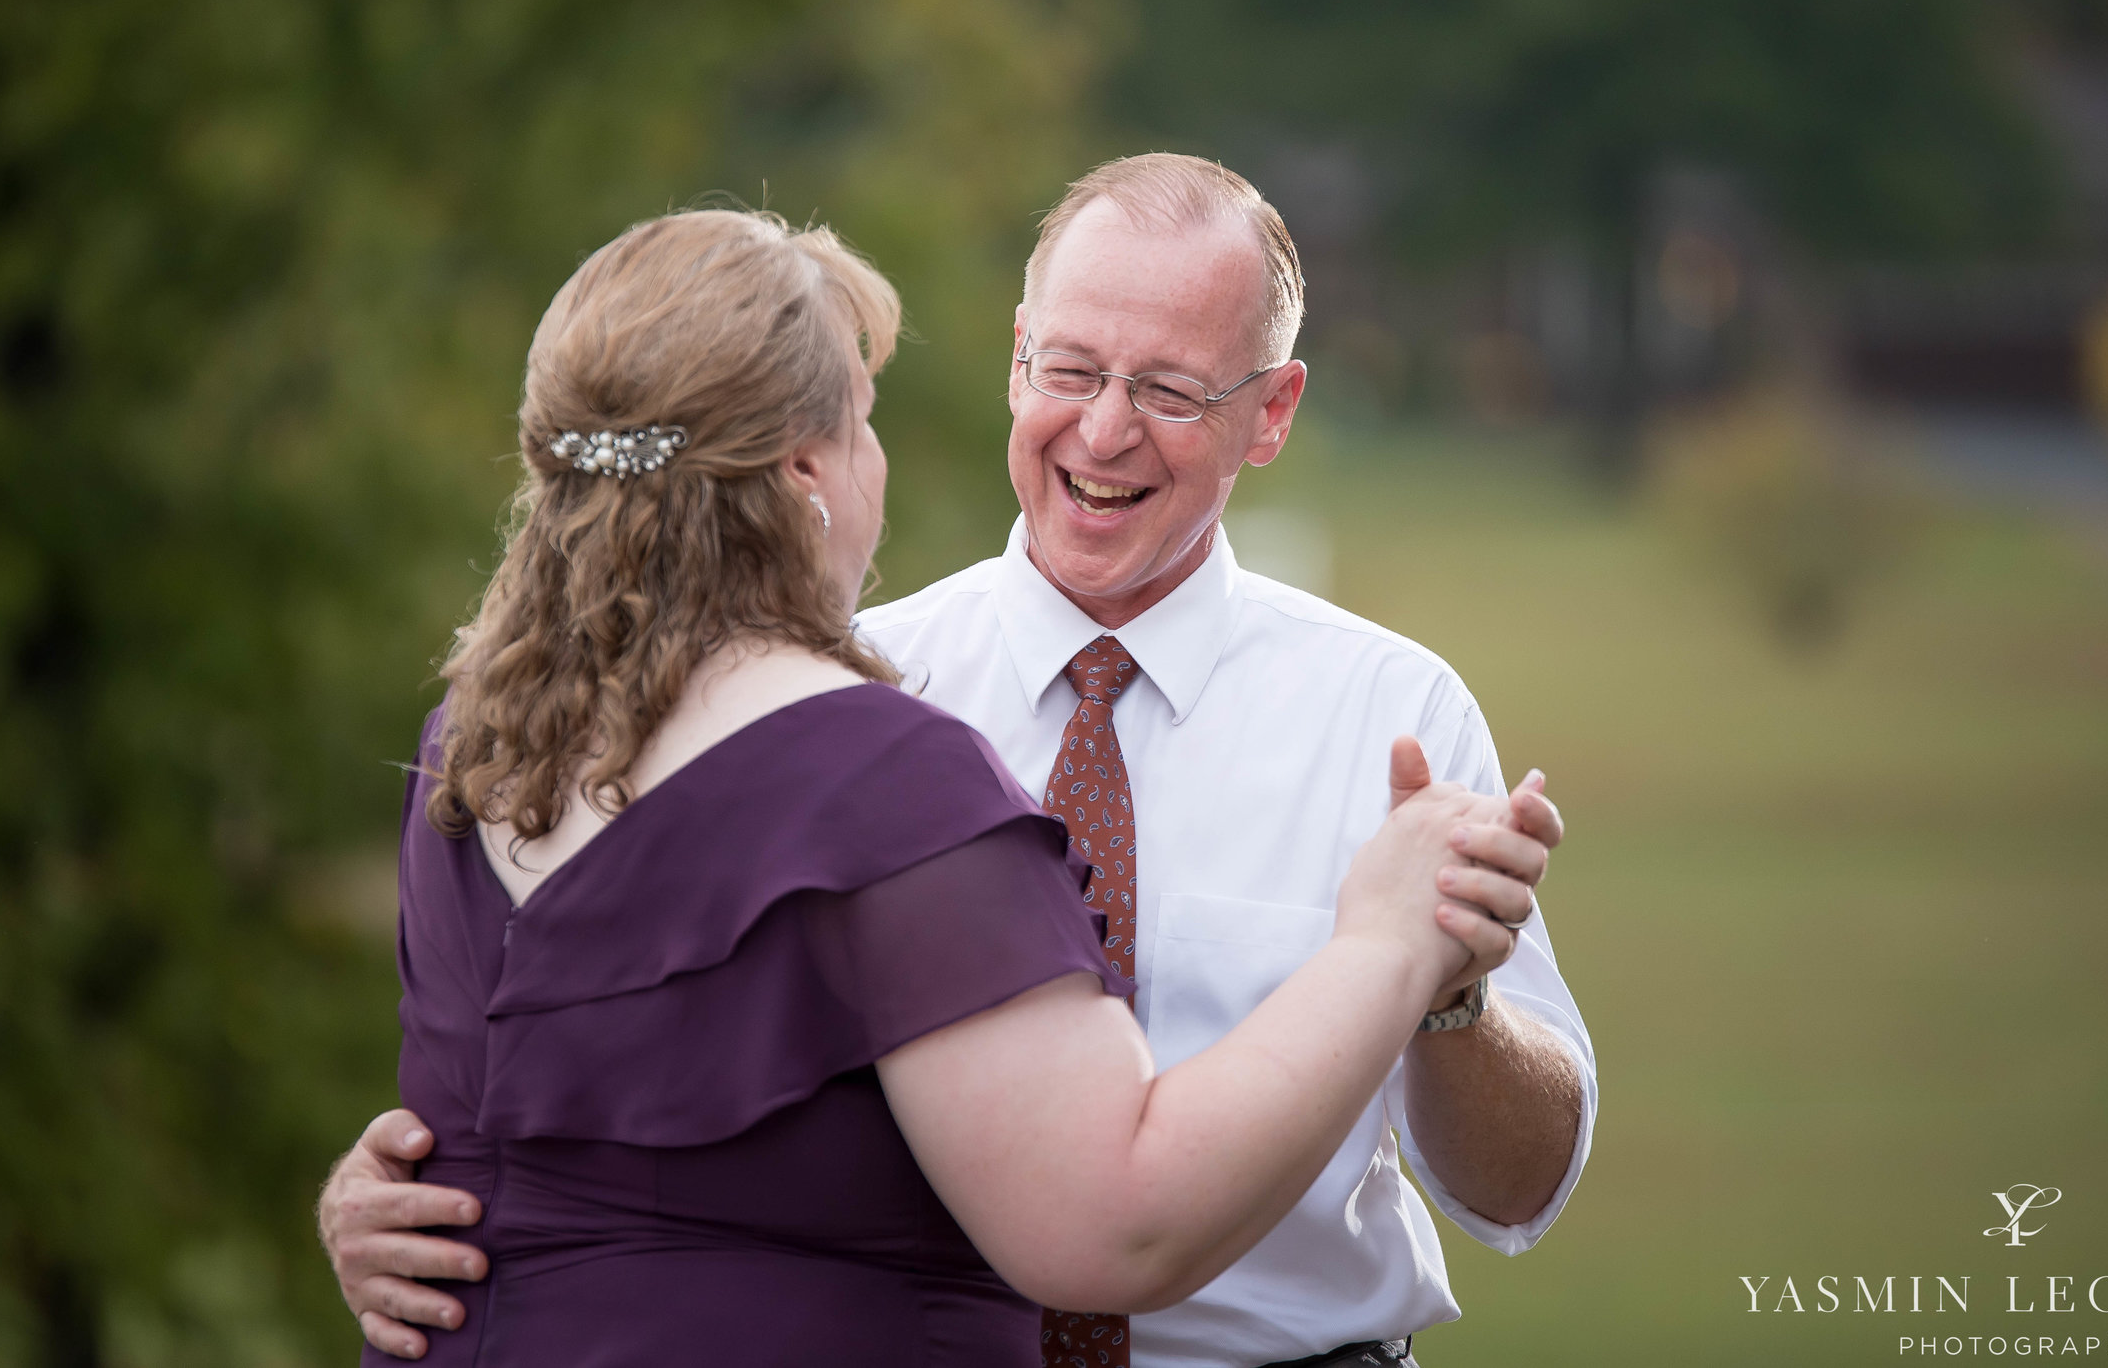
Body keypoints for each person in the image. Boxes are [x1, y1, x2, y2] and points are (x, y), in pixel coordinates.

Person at [346, 205, 1544, 1367]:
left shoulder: (484, 742)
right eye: (1068, 369)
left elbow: (612, 1099)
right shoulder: (875, 739)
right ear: (809, 468)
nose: (1106, 430)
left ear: (1268, 410)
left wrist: (454, 1180)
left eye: (1169, 391)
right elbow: (1114, 1215)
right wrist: (1382, 945)